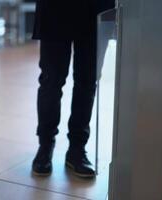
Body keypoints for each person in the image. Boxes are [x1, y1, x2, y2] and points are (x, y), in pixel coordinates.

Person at [31, 0, 115, 178]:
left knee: (87, 81)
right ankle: (45, 145)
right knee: (51, 81)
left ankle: (77, 149)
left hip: (96, 7)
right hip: (55, 8)